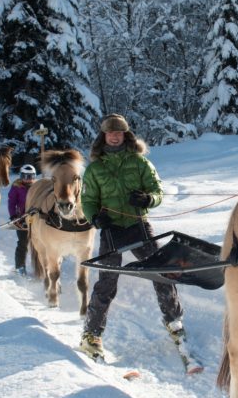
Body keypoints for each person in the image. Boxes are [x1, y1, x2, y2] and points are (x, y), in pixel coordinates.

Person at [79, 113, 189, 363]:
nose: (115, 137)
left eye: (119, 133)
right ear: (104, 136)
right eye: (111, 133)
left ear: (126, 135)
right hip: (111, 230)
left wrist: (148, 199)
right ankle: (91, 335)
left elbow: (157, 190)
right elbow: (87, 200)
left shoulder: (140, 163)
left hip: (138, 224)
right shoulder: (95, 169)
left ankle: (174, 321)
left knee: (160, 271)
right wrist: (95, 218)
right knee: (107, 282)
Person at [7, 164, 37, 276]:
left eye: (31, 176)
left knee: (37, 243)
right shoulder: (17, 187)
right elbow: (11, 202)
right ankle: (20, 266)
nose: (28, 179)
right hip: (22, 219)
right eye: (25, 176)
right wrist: (13, 216)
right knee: (23, 243)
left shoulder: (37, 186)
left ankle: (40, 267)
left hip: (35, 219)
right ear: (21, 176)